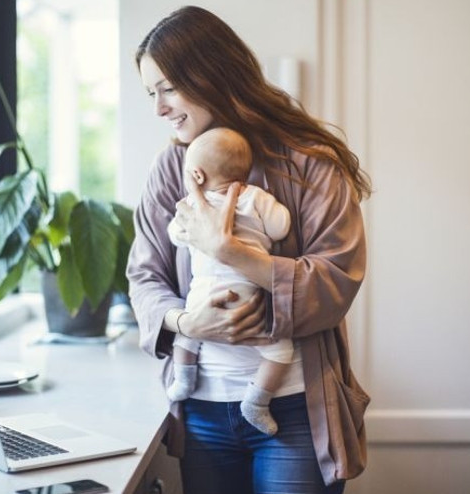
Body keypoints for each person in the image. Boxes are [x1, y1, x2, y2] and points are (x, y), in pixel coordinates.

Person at [127, 6, 372, 494]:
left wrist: (230, 251)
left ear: (210, 75)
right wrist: (187, 323)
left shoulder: (309, 164)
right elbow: (144, 276)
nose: (159, 109)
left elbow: (336, 280)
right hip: (201, 410)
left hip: (296, 412)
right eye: (151, 93)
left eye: (168, 89)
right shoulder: (171, 169)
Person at [166, 127, 293, 437]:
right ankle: (257, 402)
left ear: (196, 174)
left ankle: (183, 379)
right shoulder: (256, 197)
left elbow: (176, 235)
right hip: (248, 294)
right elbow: (281, 227)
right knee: (281, 351)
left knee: (187, 331)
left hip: (203, 295)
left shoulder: (192, 205)